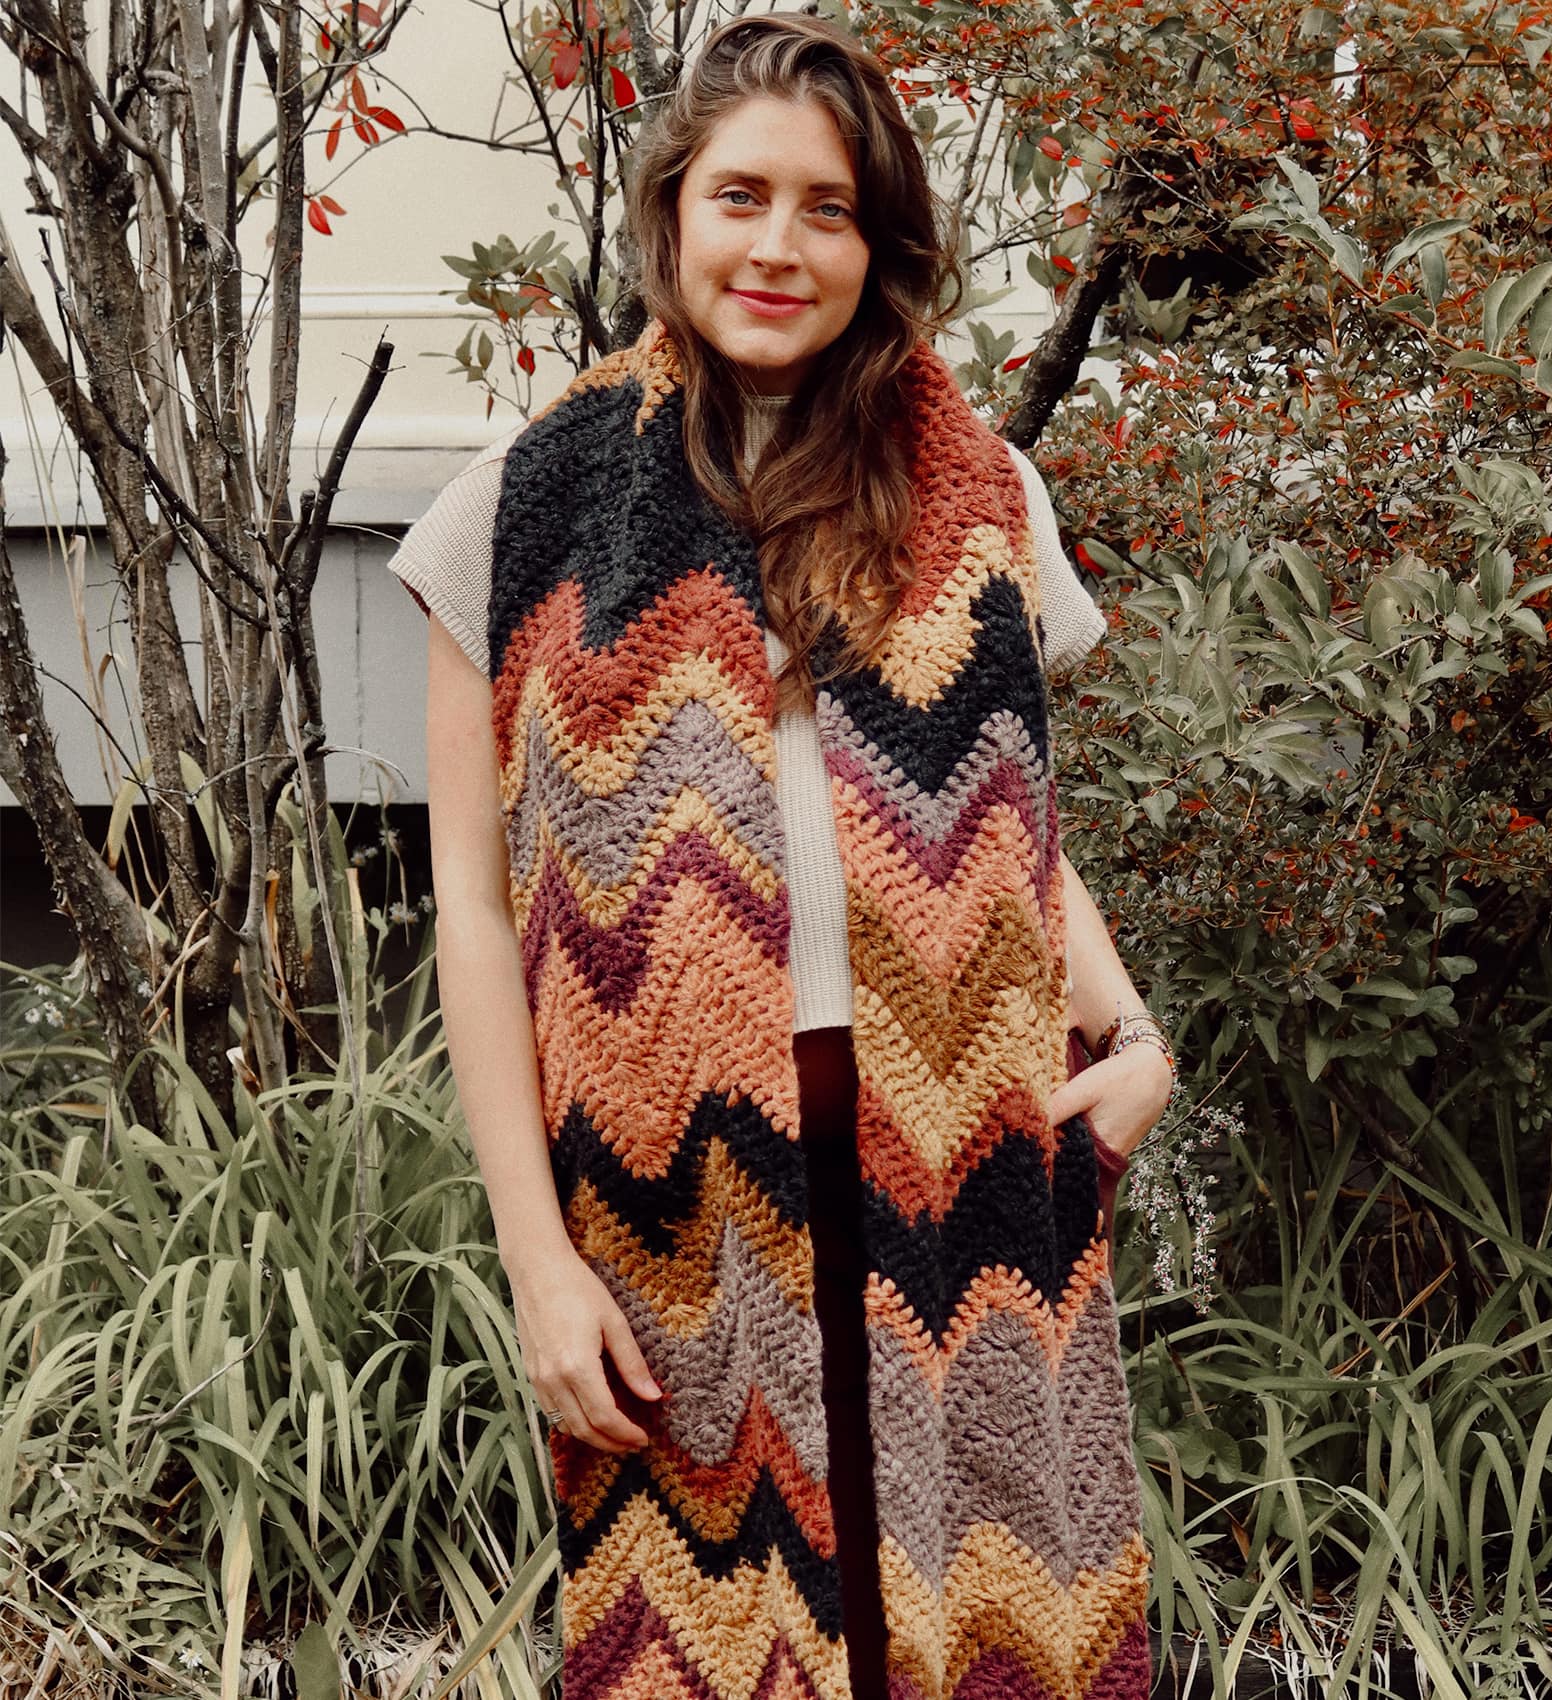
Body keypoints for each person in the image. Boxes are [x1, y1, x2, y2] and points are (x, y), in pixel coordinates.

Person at [386, 15, 1176, 1700]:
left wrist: (1135, 1038)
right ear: (673, 209)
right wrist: (538, 1262)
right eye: (741, 196)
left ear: (877, 247)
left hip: (956, 1162)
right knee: (715, 1632)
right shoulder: (515, 513)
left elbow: (1015, 830)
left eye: (829, 210)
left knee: (973, 1625)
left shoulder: (982, 498)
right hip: (683, 1194)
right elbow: (473, 907)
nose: (779, 247)